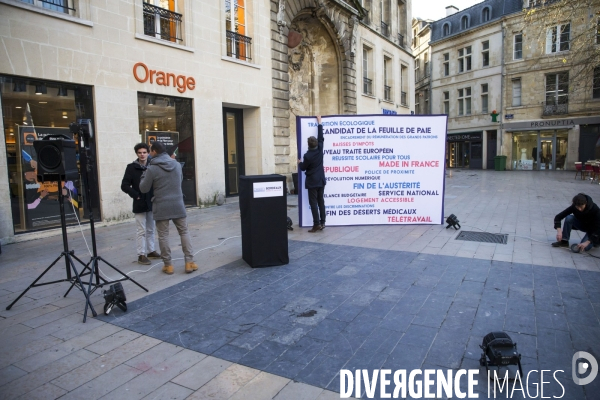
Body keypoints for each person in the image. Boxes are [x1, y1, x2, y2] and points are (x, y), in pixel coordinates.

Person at [139, 141, 197, 274]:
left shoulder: (152, 168)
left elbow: (143, 188)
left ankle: (168, 265)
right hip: (178, 203)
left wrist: (144, 175)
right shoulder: (176, 165)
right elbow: (179, 180)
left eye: (149, 151)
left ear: (153, 151)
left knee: (163, 235)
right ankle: (189, 262)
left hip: (161, 204)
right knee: (184, 232)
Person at [121, 143, 161, 265]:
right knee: (141, 230)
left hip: (151, 201)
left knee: (151, 229)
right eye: (140, 153)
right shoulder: (131, 167)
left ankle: (151, 250)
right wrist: (136, 195)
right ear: (137, 154)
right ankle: (141, 254)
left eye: (144, 152)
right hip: (139, 202)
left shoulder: (153, 165)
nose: (142, 155)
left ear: (148, 152)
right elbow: (124, 185)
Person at [298, 115, 326, 233]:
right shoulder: (320, 149)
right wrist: (319, 123)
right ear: (316, 143)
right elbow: (321, 137)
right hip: (321, 180)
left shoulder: (307, 156)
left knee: (313, 203)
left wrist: (299, 163)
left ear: (308, 145)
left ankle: (316, 224)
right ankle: (323, 222)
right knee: (321, 201)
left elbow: (303, 168)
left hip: (312, 182)